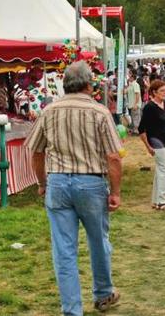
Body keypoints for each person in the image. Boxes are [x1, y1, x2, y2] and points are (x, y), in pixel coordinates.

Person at [26, 61, 122, 315]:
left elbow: (36, 151)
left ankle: (72, 309)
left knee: (64, 250)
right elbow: (114, 156)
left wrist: (42, 182)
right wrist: (115, 192)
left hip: (58, 181)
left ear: (64, 84)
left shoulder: (49, 111)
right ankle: (103, 293)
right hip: (91, 181)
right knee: (98, 241)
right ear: (89, 84)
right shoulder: (99, 112)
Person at [139, 80, 165, 211]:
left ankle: (156, 201)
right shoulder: (149, 107)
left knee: (160, 170)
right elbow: (141, 129)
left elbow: (164, 124)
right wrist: (148, 146)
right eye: (162, 91)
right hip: (156, 142)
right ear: (154, 92)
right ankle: (162, 201)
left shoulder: (163, 104)